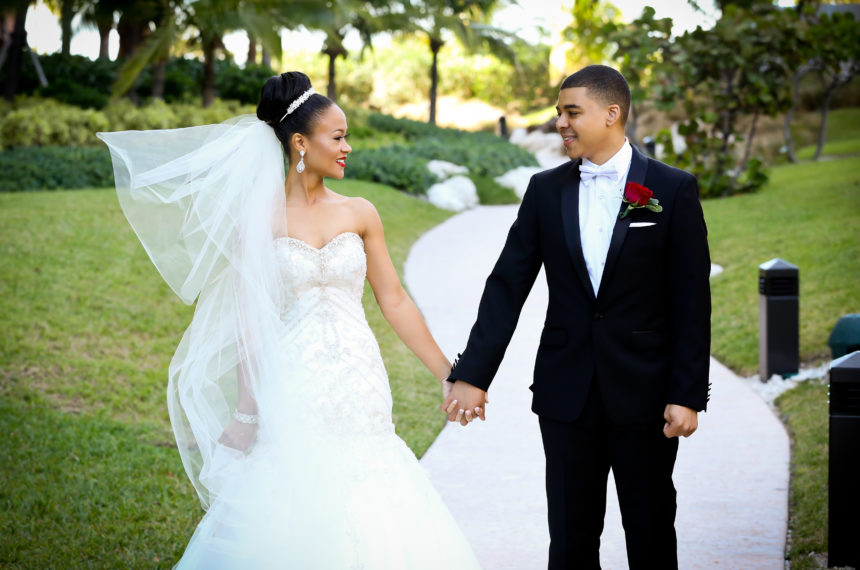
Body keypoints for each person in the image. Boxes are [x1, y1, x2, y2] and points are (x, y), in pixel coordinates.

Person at [98, 71, 481, 569]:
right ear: (300, 142)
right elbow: (248, 322)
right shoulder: (257, 222)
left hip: (361, 378)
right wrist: (246, 411)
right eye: (338, 137)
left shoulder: (360, 212)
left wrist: (448, 374)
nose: (347, 148)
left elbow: (396, 302)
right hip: (292, 380)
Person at [442, 65, 711, 569]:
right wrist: (472, 375)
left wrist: (687, 394)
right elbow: (507, 286)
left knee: (651, 534)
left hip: (647, 396)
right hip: (566, 395)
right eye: (559, 112)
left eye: (572, 112)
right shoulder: (546, 191)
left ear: (612, 114)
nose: (561, 123)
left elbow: (691, 301)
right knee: (570, 540)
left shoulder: (672, 190)